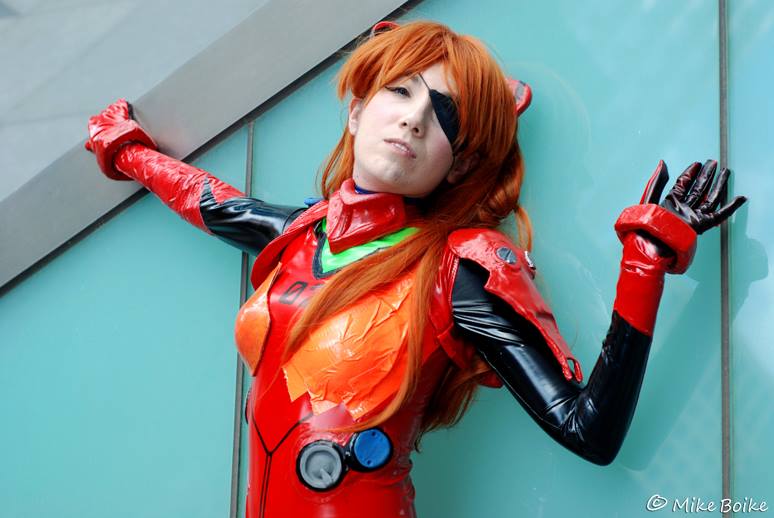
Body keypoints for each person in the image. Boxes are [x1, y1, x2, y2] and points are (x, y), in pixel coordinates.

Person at [84, 20, 746, 518]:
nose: (412, 120)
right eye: (399, 91)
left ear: (460, 164)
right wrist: (129, 152)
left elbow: (589, 428)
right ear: (356, 111)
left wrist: (644, 263)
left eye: (443, 117)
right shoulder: (303, 234)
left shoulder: (460, 267)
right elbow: (214, 203)